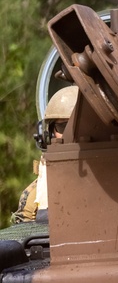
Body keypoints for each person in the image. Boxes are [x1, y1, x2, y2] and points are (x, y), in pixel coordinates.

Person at [11, 86, 79, 224]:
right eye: (63, 126)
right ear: (48, 134)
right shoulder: (34, 199)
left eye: (77, 126)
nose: (71, 134)